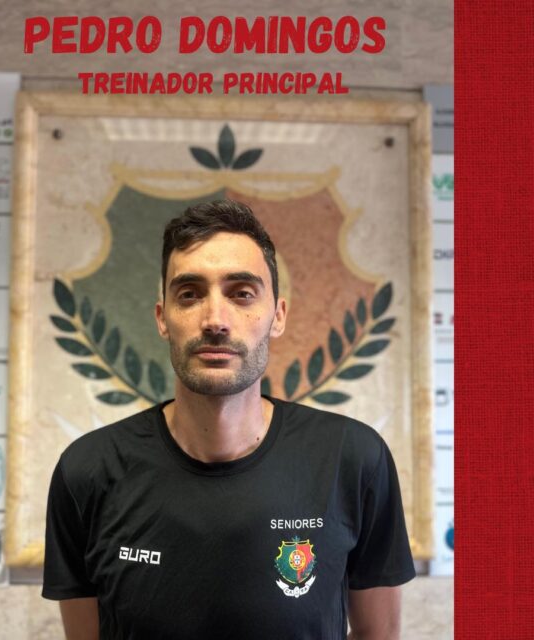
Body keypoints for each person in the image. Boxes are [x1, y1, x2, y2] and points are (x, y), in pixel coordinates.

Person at [42, 199, 416, 639]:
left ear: (277, 316)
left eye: (241, 293)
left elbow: (378, 634)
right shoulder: (87, 471)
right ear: (163, 319)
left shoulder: (352, 459)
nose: (215, 320)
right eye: (189, 294)